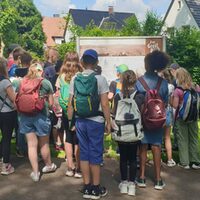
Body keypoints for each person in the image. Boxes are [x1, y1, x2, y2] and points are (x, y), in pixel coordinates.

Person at [68, 49, 111, 199]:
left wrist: (70, 122)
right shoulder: (101, 79)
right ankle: (96, 188)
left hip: (80, 121)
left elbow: (70, 103)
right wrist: (109, 122)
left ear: (82, 62)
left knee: (84, 152)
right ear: (96, 63)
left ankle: (86, 187)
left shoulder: (75, 79)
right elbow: (105, 104)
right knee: (96, 153)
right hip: (96, 121)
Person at [16, 63, 57, 182]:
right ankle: (49, 165)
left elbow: (16, 98)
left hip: (25, 115)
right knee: (44, 143)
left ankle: (35, 172)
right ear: (40, 71)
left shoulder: (22, 82)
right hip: (41, 116)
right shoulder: (45, 82)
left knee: (31, 145)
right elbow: (50, 103)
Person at [135, 50, 170, 190]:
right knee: (156, 146)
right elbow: (166, 102)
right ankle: (158, 179)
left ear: (146, 64)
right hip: (158, 119)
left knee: (143, 146)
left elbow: (136, 101)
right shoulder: (164, 83)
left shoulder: (139, 82)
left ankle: (142, 177)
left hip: (143, 119)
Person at [112, 70, 144, 196]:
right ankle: (132, 184)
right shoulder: (139, 96)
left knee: (123, 158)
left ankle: (124, 183)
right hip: (134, 132)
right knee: (132, 159)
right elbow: (141, 113)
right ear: (135, 80)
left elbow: (114, 113)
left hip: (121, 132)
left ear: (122, 81)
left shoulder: (117, 96)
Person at [56, 52, 83, 178]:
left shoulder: (61, 76)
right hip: (79, 110)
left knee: (68, 138)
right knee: (78, 139)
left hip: (66, 111)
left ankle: (69, 167)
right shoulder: (80, 74)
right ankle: (78, 168)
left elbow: (58, 93)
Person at [171, 67, 200, 169]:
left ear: (178, 77)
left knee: (183, 139)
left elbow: (175, 106)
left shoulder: (178, 90)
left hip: (181, 118)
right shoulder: (196, 87)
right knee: (193, 138)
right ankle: (196, 162)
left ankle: (185, 162)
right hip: (194, 117)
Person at [0, 57, 17, 175]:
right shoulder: (5, 82)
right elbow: (14, 99)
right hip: (7, 113)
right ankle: (5, 165)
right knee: (6, 138)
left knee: (3, 139)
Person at [160, 68, 176, 167]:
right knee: (167, 137)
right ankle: (170, 159)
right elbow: (172, 102)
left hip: (158, 113)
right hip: (168, 112)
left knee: (158, 137)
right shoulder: (171, 87)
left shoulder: (158, 86)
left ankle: (158, 159)